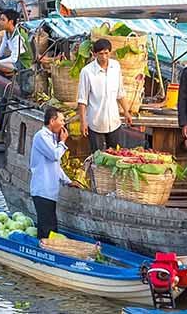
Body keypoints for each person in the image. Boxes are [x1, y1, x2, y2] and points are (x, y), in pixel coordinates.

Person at [76, 39, 131, 150]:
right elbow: (82, 100)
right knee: (97, 156)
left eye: (106, 53)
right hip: (95, 122)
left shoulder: (115, 66)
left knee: (116, 154)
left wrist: (126, 112)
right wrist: (83, 122)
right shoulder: (87, 72)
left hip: (114, 121)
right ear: (94, 54)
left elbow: (120, 92)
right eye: (101, 54)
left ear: (110, 52)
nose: (104, 57)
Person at [29, 108, 72, 239]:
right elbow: (55, 156)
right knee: (48, 228)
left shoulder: (52, 138)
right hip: (42, 190)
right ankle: (43, 249)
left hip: (50, 192)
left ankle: (43, 246)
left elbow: (55, 166)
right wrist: (63, 142)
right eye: (61, 120)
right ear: (52, 121)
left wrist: (68, 181)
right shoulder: (41, 136)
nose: (63, 124)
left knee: (49, 227)